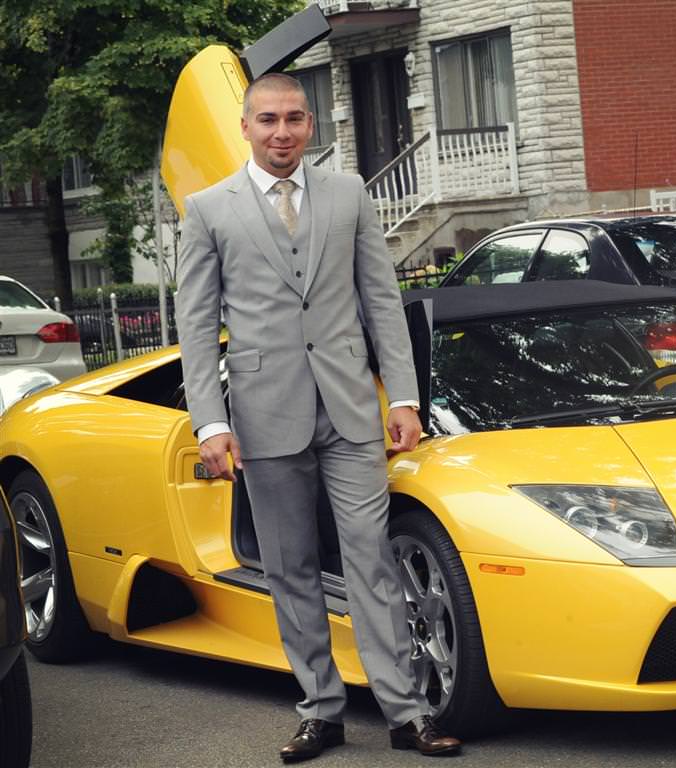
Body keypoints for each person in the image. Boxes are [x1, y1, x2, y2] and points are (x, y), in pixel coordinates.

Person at [176, 72, 461, 761]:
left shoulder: (347, 194)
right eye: (268, 119)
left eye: (294, 120)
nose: (282, 133)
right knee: (291, 567)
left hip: (348, 412)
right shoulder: (210, 209)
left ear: (311, 126)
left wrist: (402, 395)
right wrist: (210, 424)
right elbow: (194, 322)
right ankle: (320, 710)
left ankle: (406, 713)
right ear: (245, 126)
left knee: (371, 561)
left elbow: (380, 300)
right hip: (264, 415)